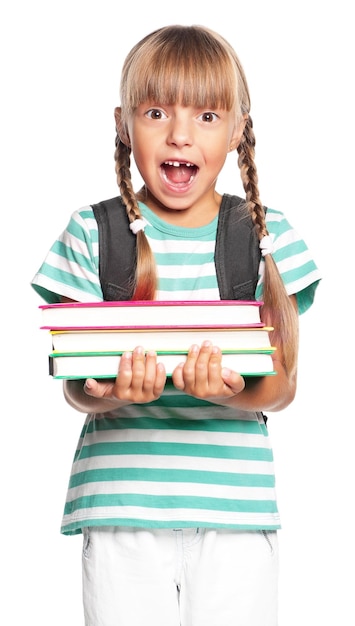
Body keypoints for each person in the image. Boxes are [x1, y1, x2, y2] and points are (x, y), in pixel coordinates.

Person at [31, 24, 321, 626]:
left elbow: (283, 384)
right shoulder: (93, 233)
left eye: (208, 115)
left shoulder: (266, 237)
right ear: (123, 122)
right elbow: (76, 386)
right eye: (157, 111)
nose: (181, 134)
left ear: (238, 128)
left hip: (235, 516)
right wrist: (105, 393)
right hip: (121, 510)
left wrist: (233, 391)